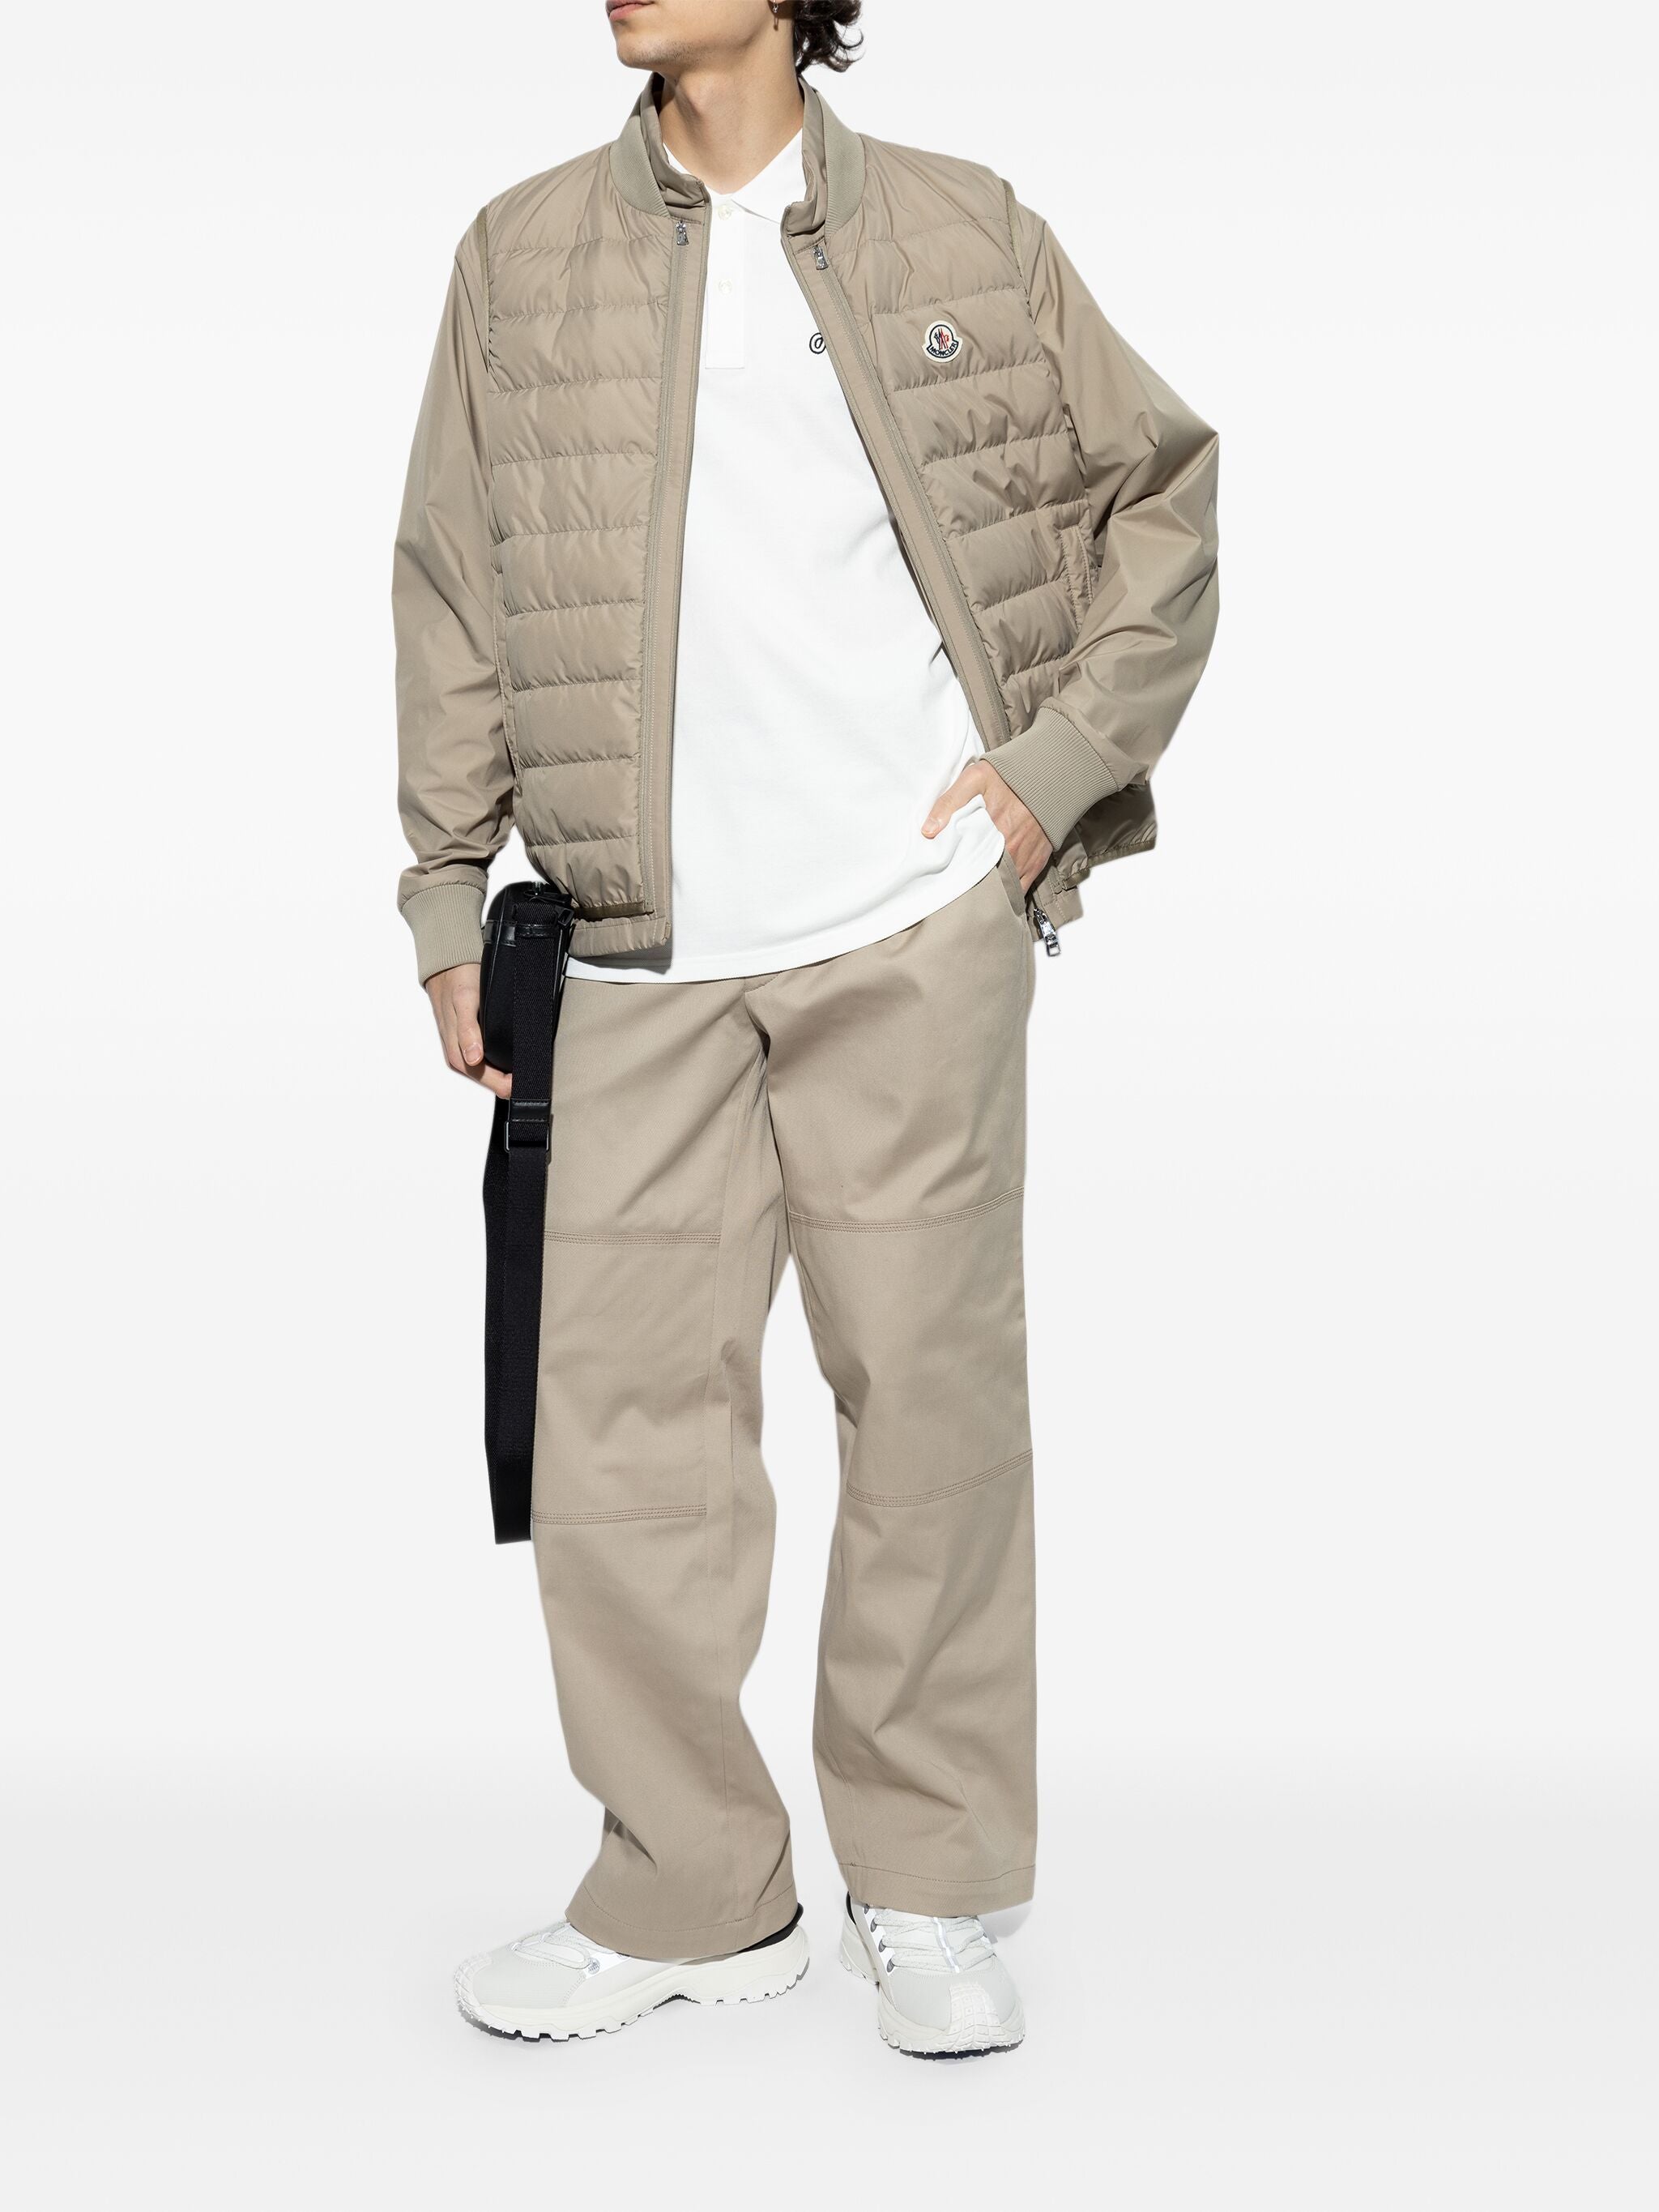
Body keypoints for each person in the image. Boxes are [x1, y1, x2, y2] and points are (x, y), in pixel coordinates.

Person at [394, 0, 1218, 2059]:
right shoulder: (518, 251)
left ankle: (928, 1889)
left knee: (929, 1422)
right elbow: (450, 587)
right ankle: (691, 1893)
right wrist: (442, 887)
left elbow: (1161, 495)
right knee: (620, 1453)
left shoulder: (960, 226)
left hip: (905, 927)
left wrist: (1044, 777)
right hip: (629, 952)